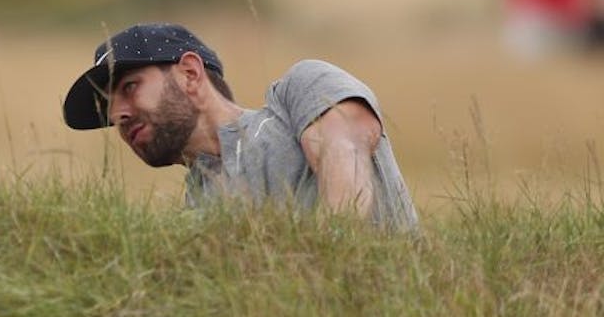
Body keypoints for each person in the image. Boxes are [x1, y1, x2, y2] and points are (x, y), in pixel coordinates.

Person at [61, 23, 418, 229]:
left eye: (129, 88)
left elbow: (345, 147)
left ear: (189, 74)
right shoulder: (194, 216)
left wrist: (332, 256)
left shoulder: (299, 89)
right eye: (108, 106)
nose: (116, 115)